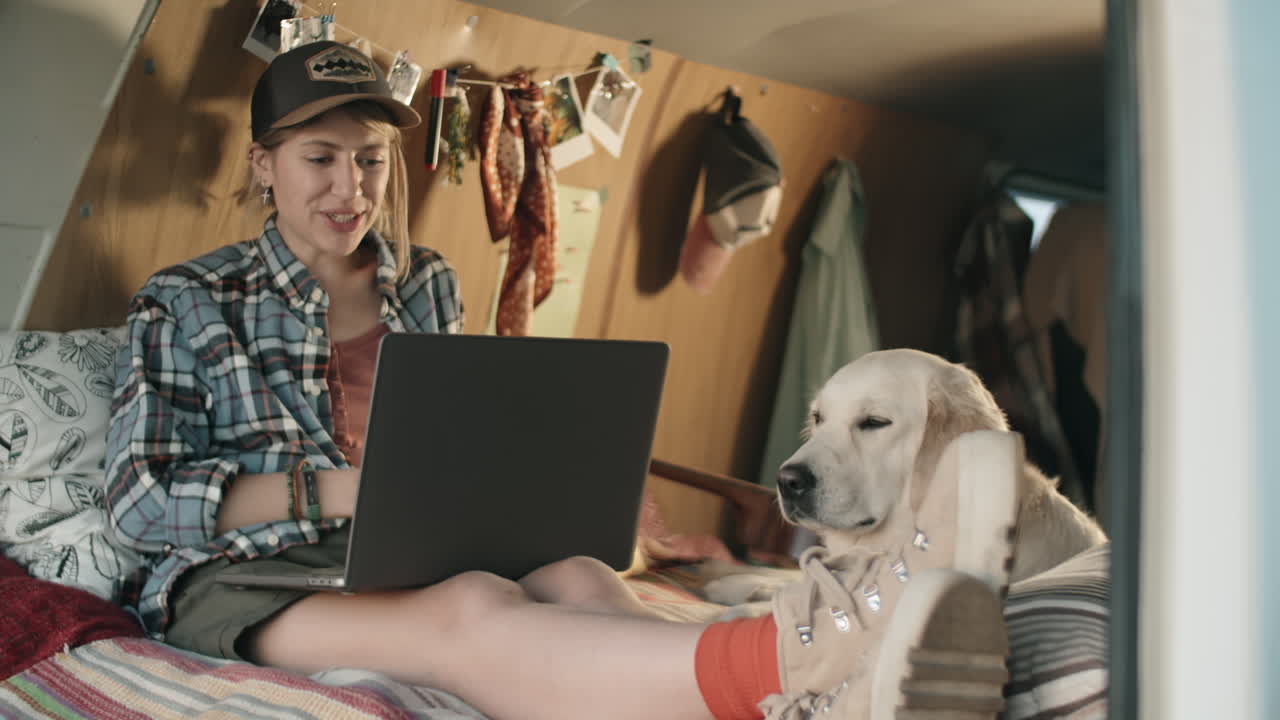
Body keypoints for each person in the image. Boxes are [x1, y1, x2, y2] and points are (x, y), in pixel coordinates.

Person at [105, 41, 1012, 720]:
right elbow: (140, 505)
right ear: (264, 165)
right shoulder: (186, 302)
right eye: (321, 159)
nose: (352, 187)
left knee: (578, 568)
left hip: (398, 549)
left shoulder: (426, 282)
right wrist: (338, 490)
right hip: (245, 580)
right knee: (474, 603)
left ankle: (772, 689)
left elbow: (457, 440)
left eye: (371, 159)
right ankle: (790, 669)